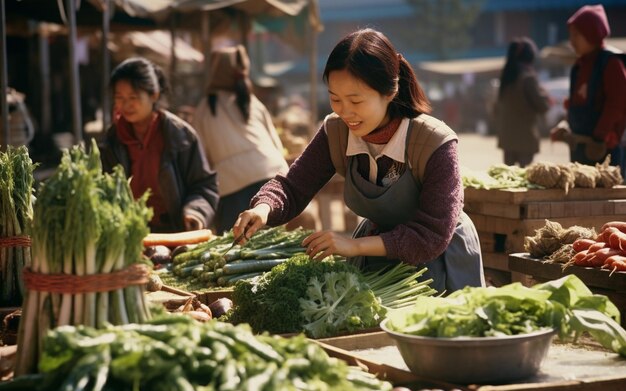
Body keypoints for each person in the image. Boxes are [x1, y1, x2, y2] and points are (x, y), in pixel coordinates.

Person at [232, 29, 485, 293]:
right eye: (335, 99)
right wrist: (263, 208)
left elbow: (430, 236)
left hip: (440, 259)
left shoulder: (435, 142)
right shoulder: (336, 130)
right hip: (374, 255)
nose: (345, 112)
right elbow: (294, 186)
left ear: (390, 91)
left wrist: (353, 246)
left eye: (356, 100)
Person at [100, 57, 219, 233]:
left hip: (175, 232)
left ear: (154, 94)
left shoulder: (180, 136)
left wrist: (195, 212)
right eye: (119, 97)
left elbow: (203, 185)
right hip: (127, 233)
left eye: (133, 97)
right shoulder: (113, 140)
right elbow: (105, 188)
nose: (126, 105)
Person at [193, 45, 289, 235]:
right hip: (271, 173)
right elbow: (276, 143)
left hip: (232, 185)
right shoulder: (252, 102)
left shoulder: (205, 108)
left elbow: (201, 157)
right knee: (272, 244)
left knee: (237, 246)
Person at [550, 4, 626, 174]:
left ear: (592, 33)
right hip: (580, 149)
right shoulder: (579, 66)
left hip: (604, 150)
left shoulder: (611, 64)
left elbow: (618, 103)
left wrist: (600, 136)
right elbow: (575, 103)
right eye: (571, 35)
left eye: (576, 35)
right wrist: (566, 125)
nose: (572, 41)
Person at [495, 37, 551, 167]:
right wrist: (545, 96)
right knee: (524, 180)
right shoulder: (528, 78)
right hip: (525, 138)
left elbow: (497, 107)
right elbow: (542, 106)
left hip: (507, 138)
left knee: (508, 179)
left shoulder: (506, 78)